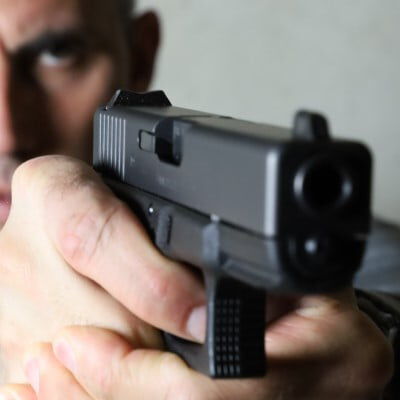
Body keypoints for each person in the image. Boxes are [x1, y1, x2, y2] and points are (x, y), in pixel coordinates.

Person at [0, 0, 397, 399]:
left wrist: (374, 343)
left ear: (140, 53)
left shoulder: (365, 255)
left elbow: (367, 308)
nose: (8, 133)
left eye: (58, 52)